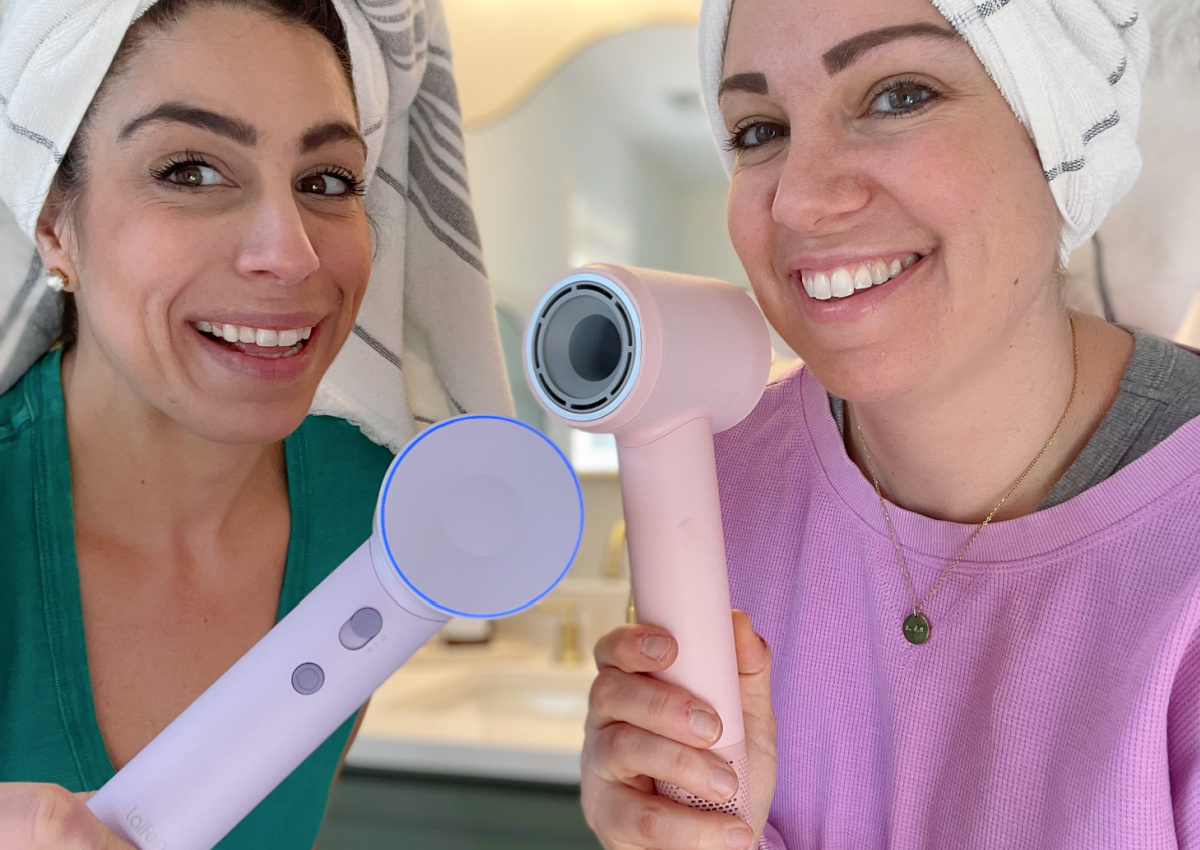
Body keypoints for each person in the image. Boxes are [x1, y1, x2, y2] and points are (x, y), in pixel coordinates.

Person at [580, 0, 1200, 848]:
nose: (799, 200)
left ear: (1054, 125)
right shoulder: (713, 487)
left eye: (899, 95)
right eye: (759, 129)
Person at [0, 0, 510, 847]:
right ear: (54, 220)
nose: (294, 252)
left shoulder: (378, 519)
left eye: (326, 182)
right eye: (192, 170)